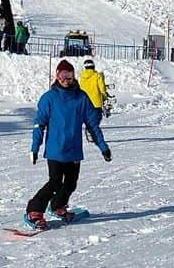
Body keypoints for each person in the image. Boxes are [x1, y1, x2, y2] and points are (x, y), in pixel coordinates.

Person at [23, 59, 111, 231]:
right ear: (57, 76)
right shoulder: (49, 98)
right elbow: (39, 124)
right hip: (56, 150)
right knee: (55, 182)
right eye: (63, 75)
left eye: (69, 76)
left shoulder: (81, 98)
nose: (66, 80)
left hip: (74, 151)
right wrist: (35, 148)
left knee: (71, 184)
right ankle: (34, 211)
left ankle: (57, 206)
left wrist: (103, 147)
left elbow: (92, 125)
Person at [78, 58, 109, 123]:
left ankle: (89, 128)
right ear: (93, 66)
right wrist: (105, 97)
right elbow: (102, 88)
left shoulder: (82, 76)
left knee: (87, 118)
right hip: (96, 103)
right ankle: (91, 130)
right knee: (97, 118)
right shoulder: (98, 75)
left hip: (85, 102)